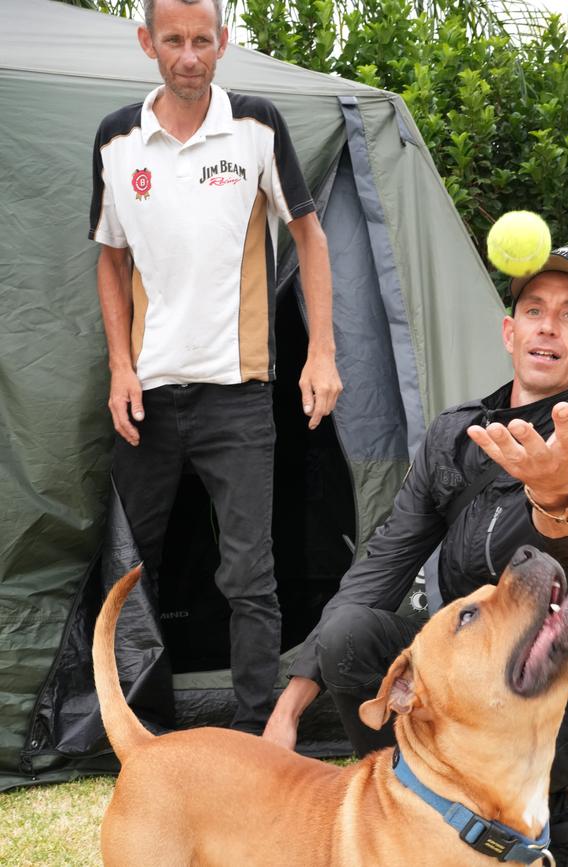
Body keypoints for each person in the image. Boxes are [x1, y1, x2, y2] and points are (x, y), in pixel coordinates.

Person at [263, 245, 568, 866]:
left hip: (565, 699)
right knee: (347, 634)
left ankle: (552, 812)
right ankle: (407, 811)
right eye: (533, 310)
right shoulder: (456, 435)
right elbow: (382, 564)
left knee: (517, 738)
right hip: (470, 676)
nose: (547, 326)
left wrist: (561, 498)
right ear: (510, 330)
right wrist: (289, 709)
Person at [89, 0, 342, 736]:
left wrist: (321, 350)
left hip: (238, 396)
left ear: (224, 42)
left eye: (203, 39)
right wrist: (119, 367)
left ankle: (257, 736)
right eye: (174, 40)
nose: (190, 55)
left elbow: (310, 234)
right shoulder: (116, 139)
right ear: (147, 43)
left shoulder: (257, 123)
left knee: (249, 577)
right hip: (148, 397)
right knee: (130, 569)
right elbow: (108, 258)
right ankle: (136, 731)